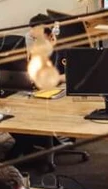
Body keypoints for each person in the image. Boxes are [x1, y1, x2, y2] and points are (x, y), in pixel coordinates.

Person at [6, 14, 67, 168]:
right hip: (33, 92)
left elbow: (74, 74)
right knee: (9, 116)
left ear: (49, 34)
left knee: (27, 116)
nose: (32, 38)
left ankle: (10, 160)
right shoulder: (32, 50)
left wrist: (56, 78)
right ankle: (27, 146)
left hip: (56, 96)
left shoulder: (60, 50)